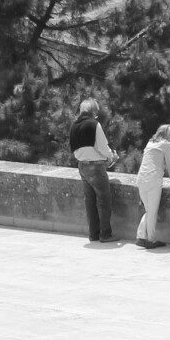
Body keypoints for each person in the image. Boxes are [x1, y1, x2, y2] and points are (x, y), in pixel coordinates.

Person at [70, 98, 116, 243]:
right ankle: (105, 234)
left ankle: (93, 234)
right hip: (95, 167)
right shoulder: (94, 125)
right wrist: (111, 156)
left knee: (89, 201)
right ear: (93, 112)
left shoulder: (74, 126)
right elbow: (102, 147)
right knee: (104, 200)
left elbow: (74, 149)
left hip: (82, 166)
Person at [134, 123, 170, 247]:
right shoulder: (166, 144)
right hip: (153, 179)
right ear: (167, 135)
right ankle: (150, 240)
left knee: (148, 210)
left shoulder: (150, 143)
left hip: (141, 178)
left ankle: (141, 236)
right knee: (152, 212)